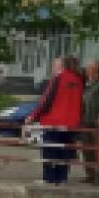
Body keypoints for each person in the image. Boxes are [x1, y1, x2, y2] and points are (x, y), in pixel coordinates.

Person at [32, 56, 85, 186]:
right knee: (65, 150)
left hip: (54, 121)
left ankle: (49, 178)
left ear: (61, 66)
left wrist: (33, 116)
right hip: (71, 123)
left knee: (49, 150)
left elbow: (47, 101)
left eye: (55, 65)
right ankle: (62, 178)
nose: (53, 68)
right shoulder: (78, 80)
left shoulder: (58, 78)